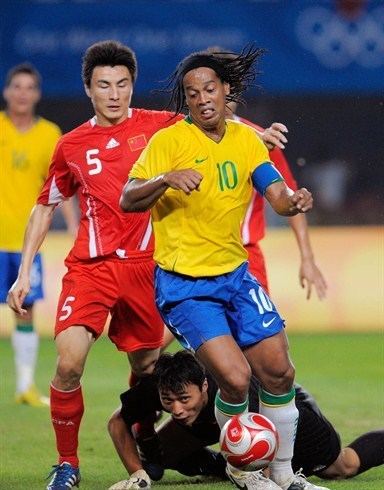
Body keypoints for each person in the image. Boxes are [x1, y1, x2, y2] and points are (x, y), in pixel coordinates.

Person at [120, 46, 321, 490]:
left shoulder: (247, 140)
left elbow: (277, 194)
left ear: (226, 91)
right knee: (234, 379)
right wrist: (164, 179)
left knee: (280, 372)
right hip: (185, 286)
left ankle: (285, 474)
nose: (202, 98)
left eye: (210, 88)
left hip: (236, 276)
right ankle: (242, 470)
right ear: (186, 100)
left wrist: (294, 202)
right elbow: (127, 197)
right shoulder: (169, 142)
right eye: (192, 93)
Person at [6, 40, 190, 490]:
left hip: (145, 267)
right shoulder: (70, 144)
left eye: (122, 84)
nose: (114, 94)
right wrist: (25, 269)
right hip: (90, 268)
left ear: (132, 85)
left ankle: (143, 431)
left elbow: (214, 121)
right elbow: (45, 206)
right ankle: (67, 464)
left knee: (148, 365)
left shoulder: (160, 126)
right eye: (104, 85)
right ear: (88, 89)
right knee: (69, 363)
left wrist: (254, 134)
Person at [107, 351, 384, 489]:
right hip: (219, 423)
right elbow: (117, 422)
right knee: (160, 454)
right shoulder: (160, 386)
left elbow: (263, 447)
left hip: (282, 414)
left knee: (341, 466)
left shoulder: (236, 394)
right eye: (168, 402)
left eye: (184, 399)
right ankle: (220, 466)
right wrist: (137, 472)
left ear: (204, 386)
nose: (176, 409)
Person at [0, 63, 78, 408]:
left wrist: (76, 227)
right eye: (16, 86)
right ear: (6, 92)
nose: (22, 93)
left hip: (27, 241)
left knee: (25, 310)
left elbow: (59, 187)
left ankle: (25, 386)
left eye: (29, 87)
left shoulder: (50, 134)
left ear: (37, 94)